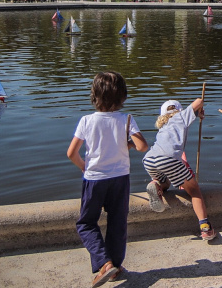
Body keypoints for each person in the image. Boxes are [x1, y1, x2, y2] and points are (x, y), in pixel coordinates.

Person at [67, 72, 148, 287]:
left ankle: (104, 262)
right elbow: (142, 147)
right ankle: (115, 266)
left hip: (94, 179)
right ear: (123, 97)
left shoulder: (86, 120)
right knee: (117, 222)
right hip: (120, 178)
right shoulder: (127, 119)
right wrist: (128, 144)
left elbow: (71, 153)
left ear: (94, 96)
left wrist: (85, 168)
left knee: (86, 223)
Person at [142, 97, 216, 241]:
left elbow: (188, 118)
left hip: (149, 158)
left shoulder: (164, 125)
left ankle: (156, 184)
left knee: (166, 184)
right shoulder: (181, 117)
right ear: (179, 111)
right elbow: (199, 101)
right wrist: (199, 108)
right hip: (168, 158)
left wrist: (197, 114)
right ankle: (205, 227)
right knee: (195, 191)